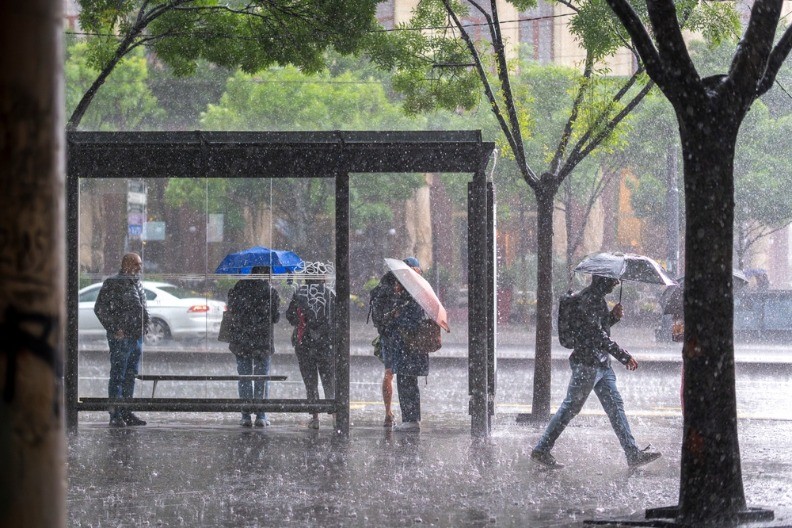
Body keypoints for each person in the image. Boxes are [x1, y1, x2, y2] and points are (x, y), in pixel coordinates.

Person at [531, 275, 661, 468]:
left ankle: (632, 453)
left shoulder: (596, 299)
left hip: (601, 364)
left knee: (615, 407)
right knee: (570, 408)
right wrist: (623, 356)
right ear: (603, 281)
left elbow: (598, 329)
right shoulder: (588, 300)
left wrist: (612, 318)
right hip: (587, 364)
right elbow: (597, 335)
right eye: (613, 280)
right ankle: (541, 449)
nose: (616, 283)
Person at [93, 252, 150, 427]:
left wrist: (143, 328)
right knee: (118, 375)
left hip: (135, 336)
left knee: (130, 375)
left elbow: (142, 308)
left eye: (140, 264)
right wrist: (115, 328)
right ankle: (115, 415)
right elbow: (100, 308)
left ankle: (125, 411)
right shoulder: (113, 283)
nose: (140, 268)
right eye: (136, 264)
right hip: (122, 337)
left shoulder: (136, 283)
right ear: (126, 264)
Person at [370, 257, 424, 428]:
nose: (417, 275)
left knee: (405, 377)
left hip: (405, 340)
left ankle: (409, 418)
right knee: (395, 375)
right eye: (414, 271)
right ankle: (397, 415)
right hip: (396, 339)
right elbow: (384, 317)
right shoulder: (390, 288)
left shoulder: (414, 290)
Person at [227, 265, 280, 427]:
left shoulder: (239, 287)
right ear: (266, 274)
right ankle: (261, 415)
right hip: (262, 342)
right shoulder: (270, 291)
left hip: (241, 340)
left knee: (244, 378)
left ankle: (245, 416)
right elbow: (276, 318)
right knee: (261, 378)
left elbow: (232, 310)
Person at [286, 277, 335, 429]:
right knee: (329, 380)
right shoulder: (329, 293)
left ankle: (315, 417)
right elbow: (337, 317)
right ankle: (335, 415)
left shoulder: (300, 293)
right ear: (323, 279)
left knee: (310, 381)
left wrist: (303, 322)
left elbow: (290, 316)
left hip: (304, 343)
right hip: (326, 344)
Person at [386, 257, 428, 432]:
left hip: (409, 348)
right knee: (408, 383)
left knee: (406, 383)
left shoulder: (414, 295)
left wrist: (396, 317)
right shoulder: (415, 292)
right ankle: (411, 419)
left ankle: (410, 421)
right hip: (410, 349)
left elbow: (412, 323)